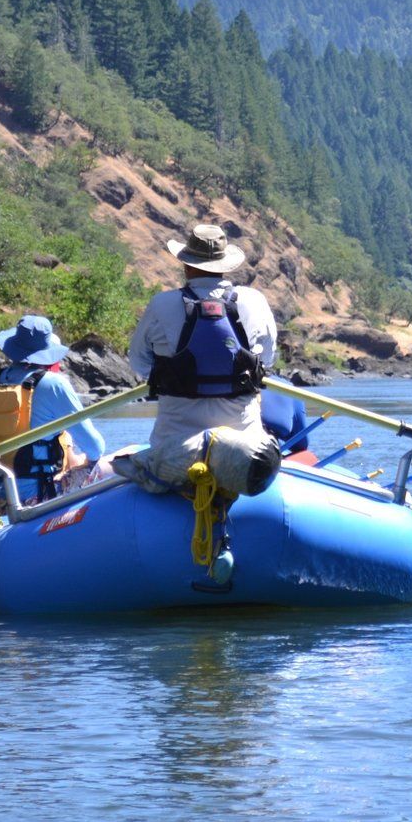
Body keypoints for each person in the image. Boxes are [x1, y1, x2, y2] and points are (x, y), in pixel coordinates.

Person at [118, 224, 283, 575]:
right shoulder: (254, 301)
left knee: (124, 461)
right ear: (225, 265)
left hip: (174, 451)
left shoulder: (162, 304)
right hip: (246, 448)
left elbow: (138, 362)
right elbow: (266, 361)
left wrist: (167, 373)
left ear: (186, 264)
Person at [0, 314, 107, 517]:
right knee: (107, 465)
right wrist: (81, 458)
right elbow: (95, 448)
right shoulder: (52, 384)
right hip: (35, 495)